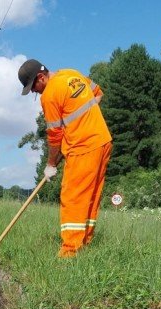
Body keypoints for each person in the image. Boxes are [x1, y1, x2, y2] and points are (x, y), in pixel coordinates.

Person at [18, 58, 113, 258]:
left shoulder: (50, 95)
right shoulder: (71, 73)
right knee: (91, 196)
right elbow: (98, 93)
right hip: (103, 141)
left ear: (41, 78)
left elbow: (55, 136)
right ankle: (85, 242)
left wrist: (51, 164)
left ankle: (70, 251)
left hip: (83, 147)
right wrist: (86, 120)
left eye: (33, 88)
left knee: (73, 197)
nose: (34, 93)